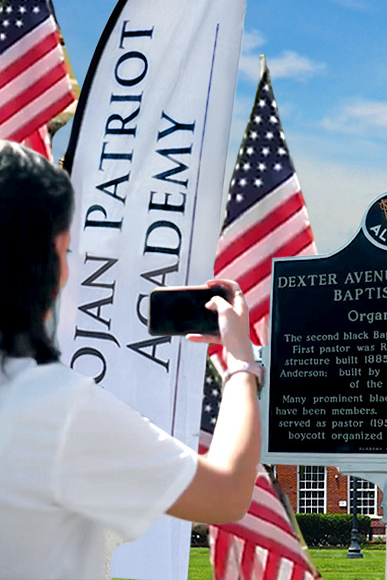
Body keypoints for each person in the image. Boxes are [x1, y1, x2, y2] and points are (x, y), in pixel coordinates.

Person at [0, 141, 263, 578]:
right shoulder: (55, 410)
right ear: (41, 262)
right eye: (64, 251)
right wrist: (241, 363)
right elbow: (227, 493)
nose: (66, 270)